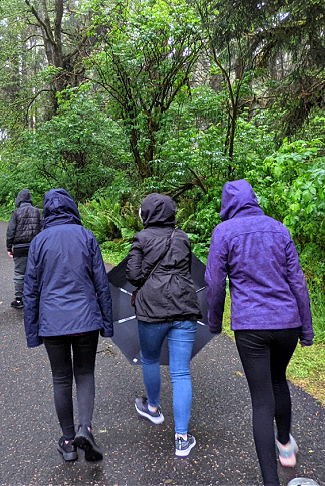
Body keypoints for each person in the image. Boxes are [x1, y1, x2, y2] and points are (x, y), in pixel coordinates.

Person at [205, 179, 314, 486]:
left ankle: (271, 482)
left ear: (228, 204)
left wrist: (215, 322)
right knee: (279, 378)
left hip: (251, 326)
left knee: (261, 400)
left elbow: (215, 284)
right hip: (286, 324)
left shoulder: (224, 232)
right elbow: (298, 283)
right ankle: (285, 446)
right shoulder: (279, 229)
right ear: (253, 199)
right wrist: (306, 329)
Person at [23, 188, 113, 463]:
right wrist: (106, 324)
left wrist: (32, 332)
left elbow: (30, 291)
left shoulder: (39, 242)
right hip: (85, 319)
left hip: (52, 323)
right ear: (72, 209)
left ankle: (67, 441)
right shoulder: (86, 236)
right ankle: (85, 428)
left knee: (61, 378)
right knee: (85, 374)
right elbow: (101, 284)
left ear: (47, 212)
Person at [126, 193, 204, 458]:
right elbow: (188, 270)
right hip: (184, 306)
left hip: (152, 310)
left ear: (146, 214)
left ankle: (154, 409)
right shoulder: (182, 238)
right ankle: (182, 439)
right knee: (181, 372)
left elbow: (134, 276)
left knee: (149, 359)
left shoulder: (141, 238)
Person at [6, 189, 41, 309]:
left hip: (20, 248)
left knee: (19, 273)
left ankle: (19, 299)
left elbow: (11, 231)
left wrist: (9, 247)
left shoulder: (15, 213)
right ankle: (36, 297)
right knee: (36, 272)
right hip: (35, 248)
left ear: (19, 199)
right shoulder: (37, 212)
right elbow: (43, 229)